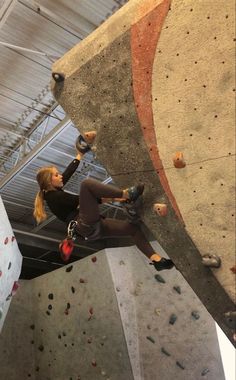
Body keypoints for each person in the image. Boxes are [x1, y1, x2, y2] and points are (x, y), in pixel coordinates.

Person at [33, 150, 174, 271]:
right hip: (84, 224)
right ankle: (127, 194)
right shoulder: (53, 196)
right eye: (57, 175)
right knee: (86, 185)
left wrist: (79, 155)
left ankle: (156, 260)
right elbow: (84, 201)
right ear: (49, 181)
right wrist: (119, 197)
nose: (61, 176)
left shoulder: (52, 192)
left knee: (133, 230)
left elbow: (68, 173)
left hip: (93, 230)